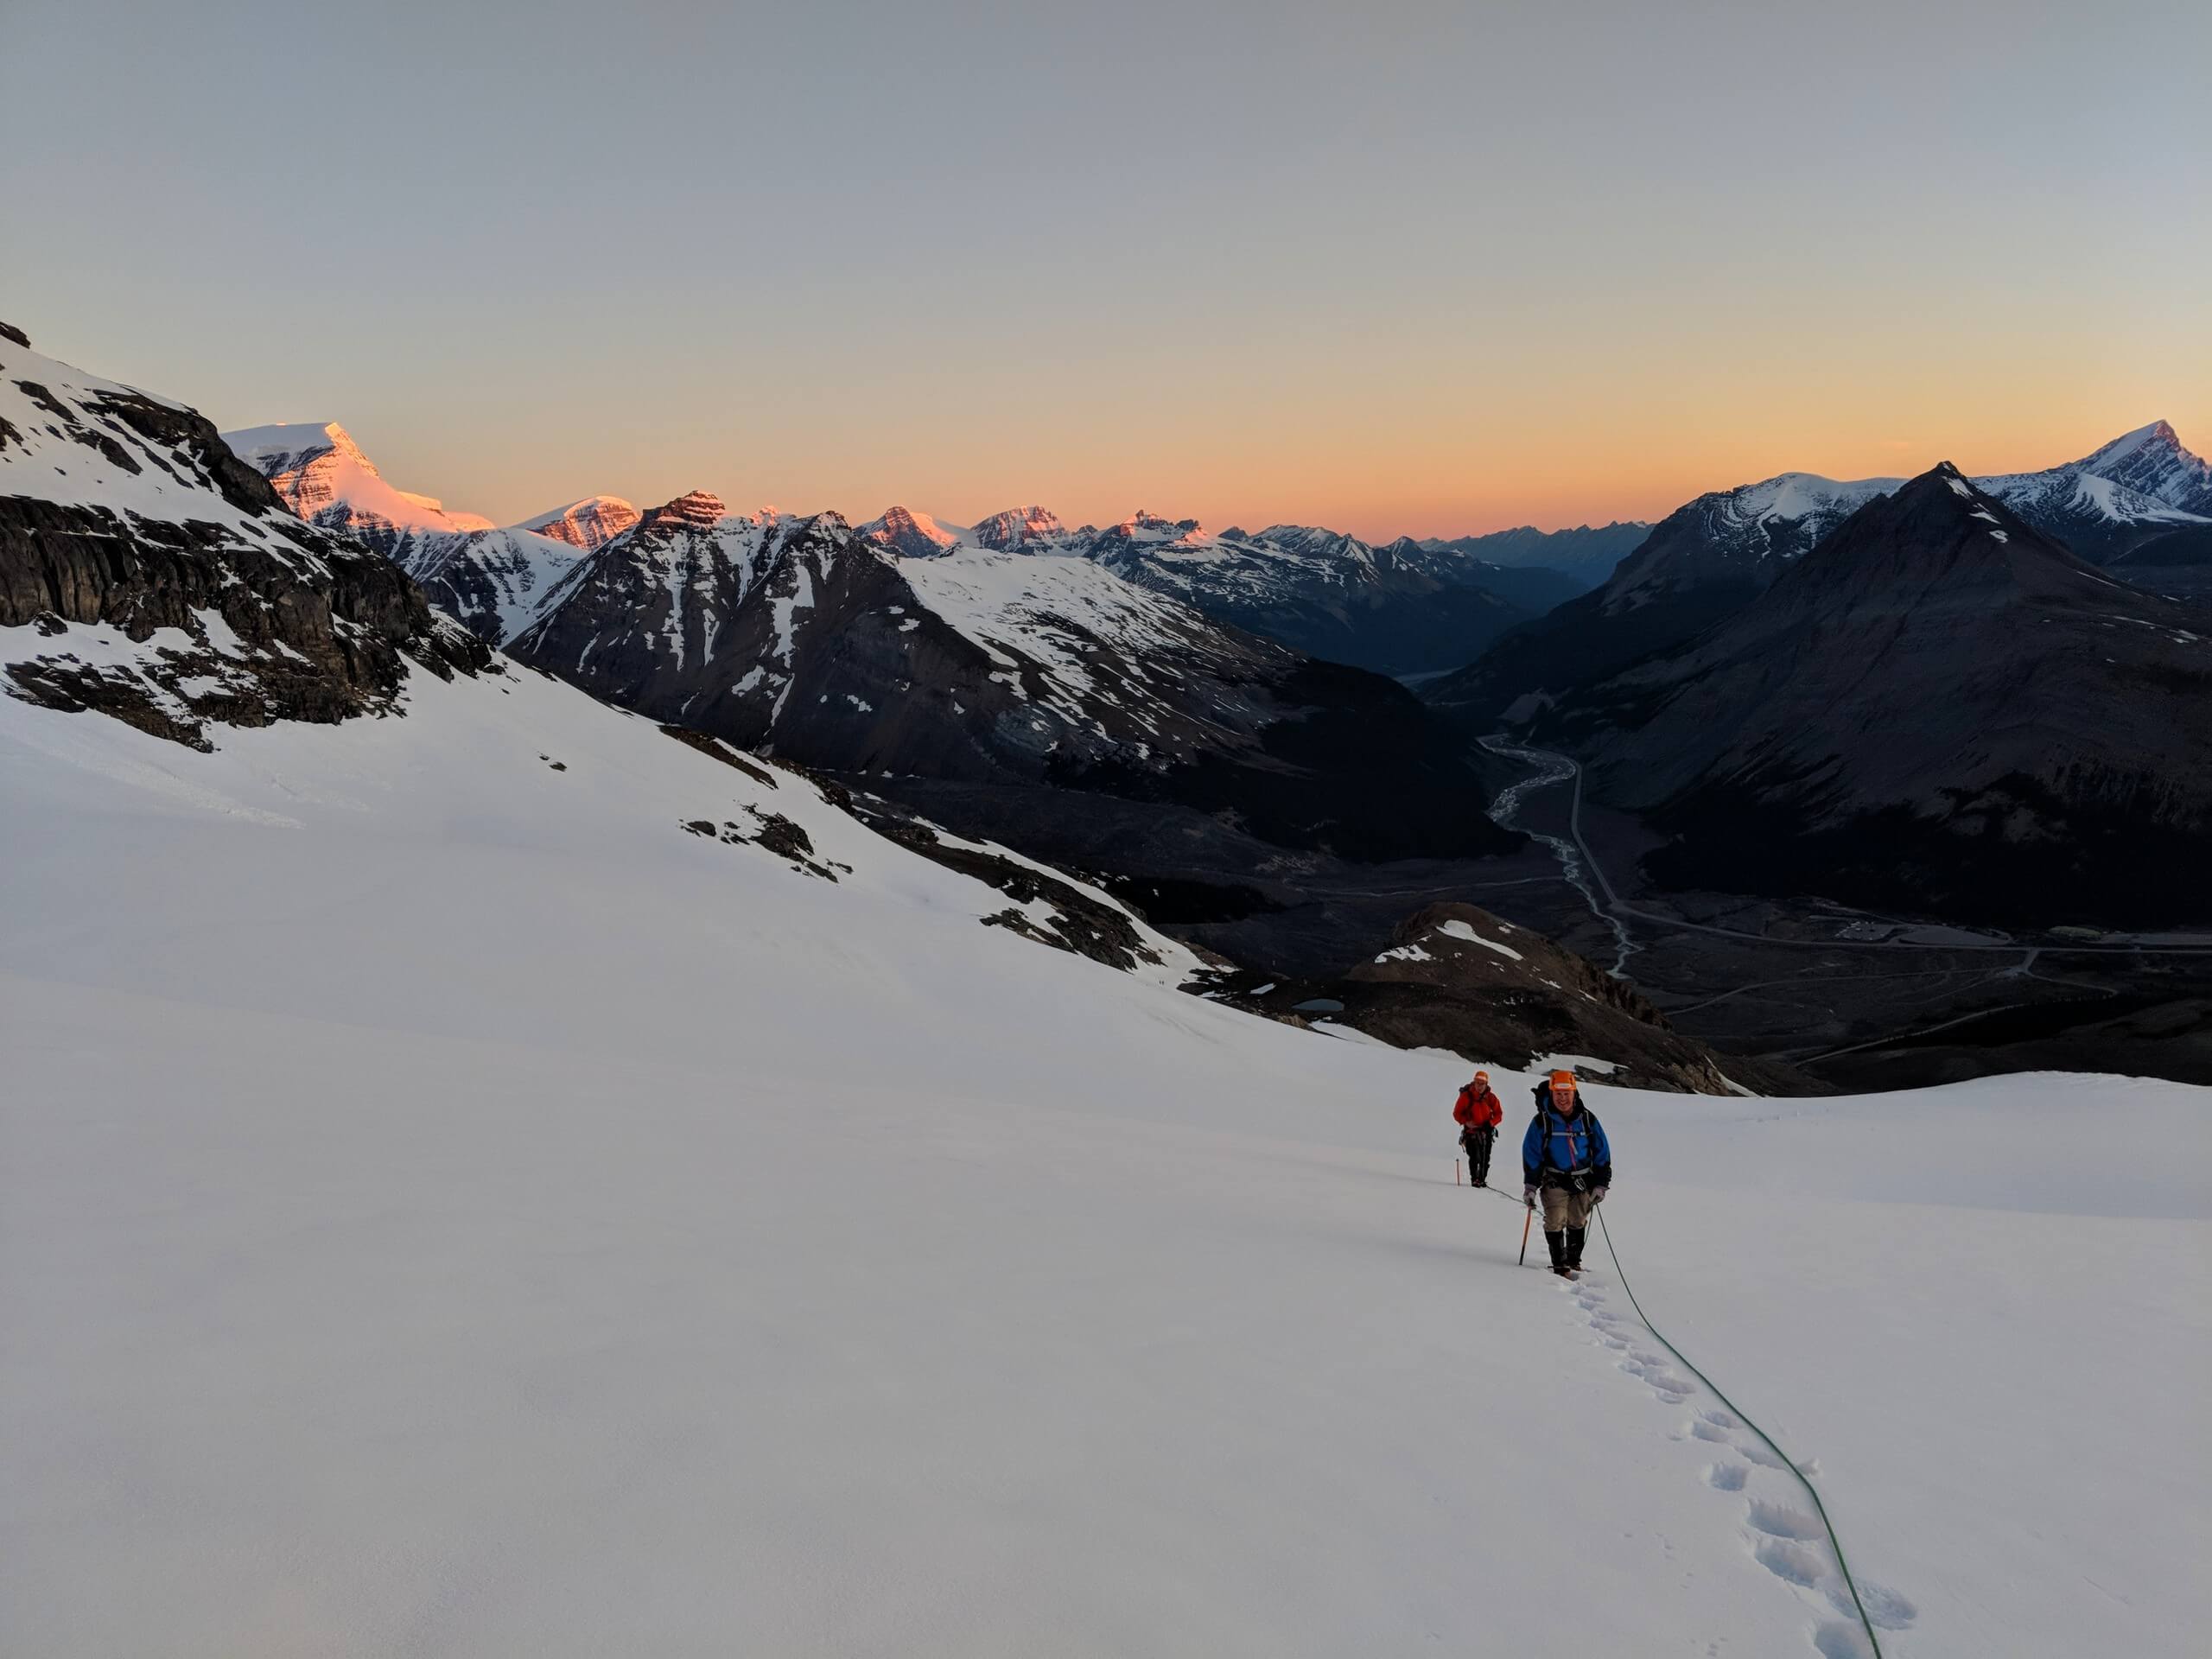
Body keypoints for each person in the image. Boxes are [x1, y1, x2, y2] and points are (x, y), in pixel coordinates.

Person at [1522, 1070, 1611, 1278]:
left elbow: (1602, 1151)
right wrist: (1531, 1187)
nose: (1562, 1099)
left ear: (1574, 1093)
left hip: (1583, 1180)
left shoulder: (1588, 1119)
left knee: (1577, 1220)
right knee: (1555, 1219)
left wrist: (1600, 1184)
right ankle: (1560, 1265)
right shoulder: (1541, 1122)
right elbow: (1532, 1155)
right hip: (1555, 1180)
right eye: (1558, 1094)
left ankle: (1573, 1260)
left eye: (1567, 1094)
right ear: (1551, 1094)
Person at [1452, 1069, 1504, 1186]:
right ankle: (1475, 1179)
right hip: (1471, 1132)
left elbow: (1499, 1114)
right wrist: (1466, 1122)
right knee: (1475, 1156)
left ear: (1486, 1085)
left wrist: (1490, 1123)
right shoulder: (1466, 1096)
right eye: (1477, 1083)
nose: (1479, 1086)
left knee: (1485, 1158)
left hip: (1486, 1131)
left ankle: (1481, 1179)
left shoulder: (1491, 1098)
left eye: (1482, 1084)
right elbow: (1456, 1113)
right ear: (1474, 1082)